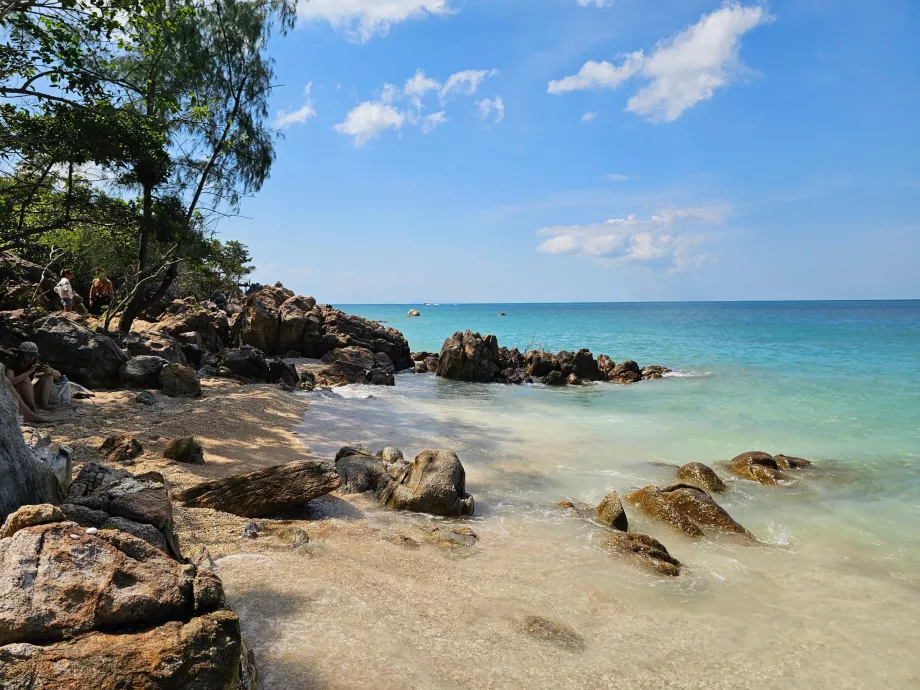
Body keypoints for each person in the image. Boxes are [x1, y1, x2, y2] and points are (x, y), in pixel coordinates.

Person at [4, 342, 60, 423]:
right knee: (26, 379)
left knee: (49, 376)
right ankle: (32, 407)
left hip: (29, 393)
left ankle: (44, 403)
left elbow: (59, 374)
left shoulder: (35, 363)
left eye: (33, 355)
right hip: (16, 394)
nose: (31, 358)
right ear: (21, 354)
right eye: (28, 355)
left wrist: (50, 371)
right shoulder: (12, 363)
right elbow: (10, 382)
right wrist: (28, 372)